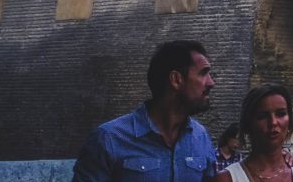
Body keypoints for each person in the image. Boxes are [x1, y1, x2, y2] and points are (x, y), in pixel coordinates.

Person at [75, 39, 218, 182]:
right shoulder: (108, 139)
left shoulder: (201, 137)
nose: (211, 83)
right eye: (203, 73)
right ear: (176, 79)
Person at [226, 85, 293, 182]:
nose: (273, 122)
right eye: (262, 116)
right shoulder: (228, 178)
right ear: (248, 123)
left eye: (281, 114)